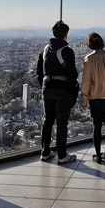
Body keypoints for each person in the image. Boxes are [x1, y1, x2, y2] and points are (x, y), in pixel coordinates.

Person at [36, 20, 78, 164]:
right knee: (62, 123)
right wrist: (72, 90)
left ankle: (45, 152)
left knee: (47, 121)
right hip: (63, 90)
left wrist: (44, 85)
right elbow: (72, 73)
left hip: (47, 88)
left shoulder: (45, 50)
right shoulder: (67, 51)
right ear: (66, 35)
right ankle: (62, 155)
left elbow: (38, 72)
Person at [81, 32, 105, 164]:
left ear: (90, 44)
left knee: (97, 126)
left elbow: (86, 81)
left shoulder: (89, 59)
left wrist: (85, 97)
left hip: (96, 97)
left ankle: (98, 155)